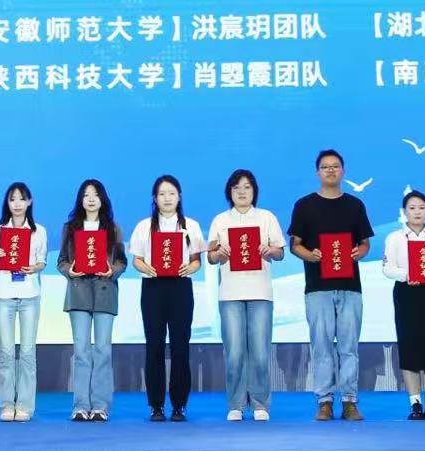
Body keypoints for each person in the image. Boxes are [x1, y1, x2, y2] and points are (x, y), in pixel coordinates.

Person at [289, 148, 375, 422]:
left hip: (350, 287)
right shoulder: (304, 205)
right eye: (325, 167)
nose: (330, 170)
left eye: (335, 166)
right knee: (322, 346)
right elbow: (295, 245)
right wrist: (310, 255)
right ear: (318, 172)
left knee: (349, 346)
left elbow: (365, 243)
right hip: (318, 288)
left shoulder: (354, 205)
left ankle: (349, 401)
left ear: (343, 171)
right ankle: (324, 401)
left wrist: (359, 252)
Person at [205, 168, 284, 422]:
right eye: (236, 187)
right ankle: (236, 404)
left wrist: (269, 250)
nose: (242, 192)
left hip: (260, 293)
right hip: (230, 294)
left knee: (260, 352)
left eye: (247, 187)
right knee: (235, 352)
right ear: (229, 192)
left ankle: (260, 403)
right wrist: (218, 254)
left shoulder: (266, 217)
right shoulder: (220, 220)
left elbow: (280, 253)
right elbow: (210, 256)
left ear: (254, 191)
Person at [130, 174, 204, 422]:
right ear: (155, 198)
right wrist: (145, 267)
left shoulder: (190, 226)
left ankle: (179, 404)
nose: (167, 198)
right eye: (162, 194)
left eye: (171, 193)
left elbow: (197, 260)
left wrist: (190, 268)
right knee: (154, 346)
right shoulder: (144, 226)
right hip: (152, 287)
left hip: (180, 287)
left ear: (179, 197)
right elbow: (136, 259)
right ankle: (156, 405)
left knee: (180, 345)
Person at [381, 189, 425, 420]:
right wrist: (407, 274)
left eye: (421, 208)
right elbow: (387, 268)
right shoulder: (394, 238)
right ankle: (414, 403)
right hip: (407, 293)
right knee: (409, 346)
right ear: (404, 212)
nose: (417, 212)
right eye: (412, 208)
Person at [58, 178, 126, 421]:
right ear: (80, 199)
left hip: (105, 292)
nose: (90, 199)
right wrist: (70, 270)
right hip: (78, 292)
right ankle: (80, 405)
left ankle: (100, 405)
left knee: (103, 350)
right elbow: (62, 261)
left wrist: (111, 270)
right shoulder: (70, 228)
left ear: (102, 199)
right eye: (86, 195)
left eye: (95, 194)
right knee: (81, 351)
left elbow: (122, 262)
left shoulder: (113, 228)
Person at [0, 181, 45, 422]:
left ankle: (25, 406)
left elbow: (42, 261)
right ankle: (6, 405)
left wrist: (34, 267)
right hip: (4, 295)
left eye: (22, 198)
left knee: (28, 352)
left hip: (30, 295)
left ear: (29, 202)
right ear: (7, 203)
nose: (17, 203)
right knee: (6, 352)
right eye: (13, 199)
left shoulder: (38, 231)